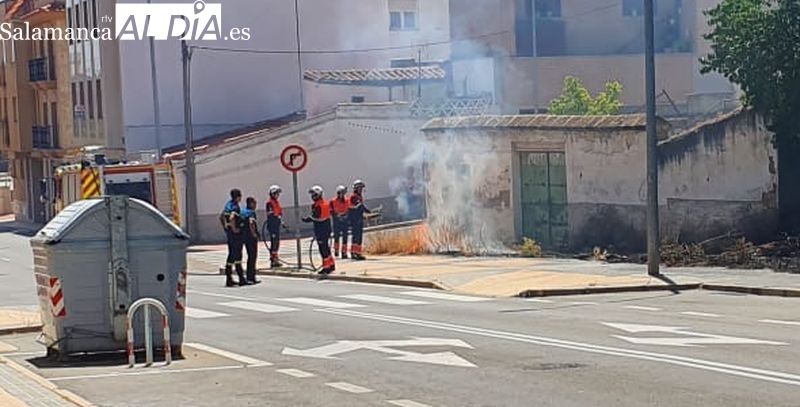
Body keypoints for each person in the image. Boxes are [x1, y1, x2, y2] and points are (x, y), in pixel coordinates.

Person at [302, 185, 335, 275]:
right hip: (326, 228)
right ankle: (331, 264)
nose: (313, 197)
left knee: (323, 249)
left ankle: (326, 267)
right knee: (326, 247)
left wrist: (308, 219)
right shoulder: (323, 203)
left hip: (321, 229)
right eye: (312, 195)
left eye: (314, 195)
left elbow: (317, 217)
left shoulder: (319, 205)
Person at [219, 188, 246, 287]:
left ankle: (229, 278)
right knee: (237, 255)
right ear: (238, 197)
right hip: (236, 235)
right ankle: (241, 278)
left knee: (231, 255)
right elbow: (232, 217)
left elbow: (221, 217)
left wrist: (226, 227)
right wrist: (234, 229)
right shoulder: (234, 206)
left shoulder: (228, 205)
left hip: (230, 234)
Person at [347, 179, 371, 260]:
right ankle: (354, 253)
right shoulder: (353, 197)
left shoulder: (359, 196)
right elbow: (357, 207)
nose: (361, 190)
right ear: (356, 188)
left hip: (358, 219)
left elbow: (360, 207)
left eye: (361, 188)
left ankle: (357, 253)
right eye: (360, 188)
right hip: (354, 220)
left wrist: (367, 212)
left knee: (359, 236)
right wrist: (366, 210)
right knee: (356, 236)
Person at [241, 197, 261, 285]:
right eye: (255, 203)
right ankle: (251, 277)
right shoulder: (251, 212)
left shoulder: (243, 212)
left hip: (244, 237)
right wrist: (254, 234)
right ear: (251, 203)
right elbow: (251, 222)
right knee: (253, 257)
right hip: (251, 238)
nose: (256, 205)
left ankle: (249, 276)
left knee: (249, 256)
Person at [265, 185, 286, 268]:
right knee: (274, 242)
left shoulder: (276, 202)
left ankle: (275, 259)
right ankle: (273, 260)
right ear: (273, 193)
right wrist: (276, 216)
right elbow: (271, 214)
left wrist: (281, 220)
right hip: (272, 225)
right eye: (277, 193)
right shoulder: (269, 203)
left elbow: (279, 212)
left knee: (276, 242)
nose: (278, 195)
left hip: (276, 225)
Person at [329, 185, 350, 259]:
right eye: (341, 193)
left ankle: (344, 252)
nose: (342, 195)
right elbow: (330, 211)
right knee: (336, 237)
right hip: (336, 221)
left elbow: (349, 209)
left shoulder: (347, 200)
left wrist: (346, 216)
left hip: (345, 220)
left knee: (345, 237)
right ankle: (336, 251)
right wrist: (337, 216)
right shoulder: (332, 201)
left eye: (343, 193)